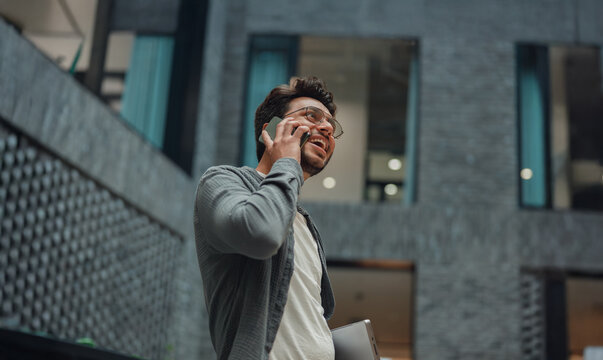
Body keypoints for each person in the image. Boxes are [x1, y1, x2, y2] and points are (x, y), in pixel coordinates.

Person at [194, 76, 344, 359]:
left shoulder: (305, 224)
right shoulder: (221, 181)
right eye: (311, 116)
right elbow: (261, 233)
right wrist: (287, 162)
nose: (326, 127)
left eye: (331, 125)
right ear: (272, 130)